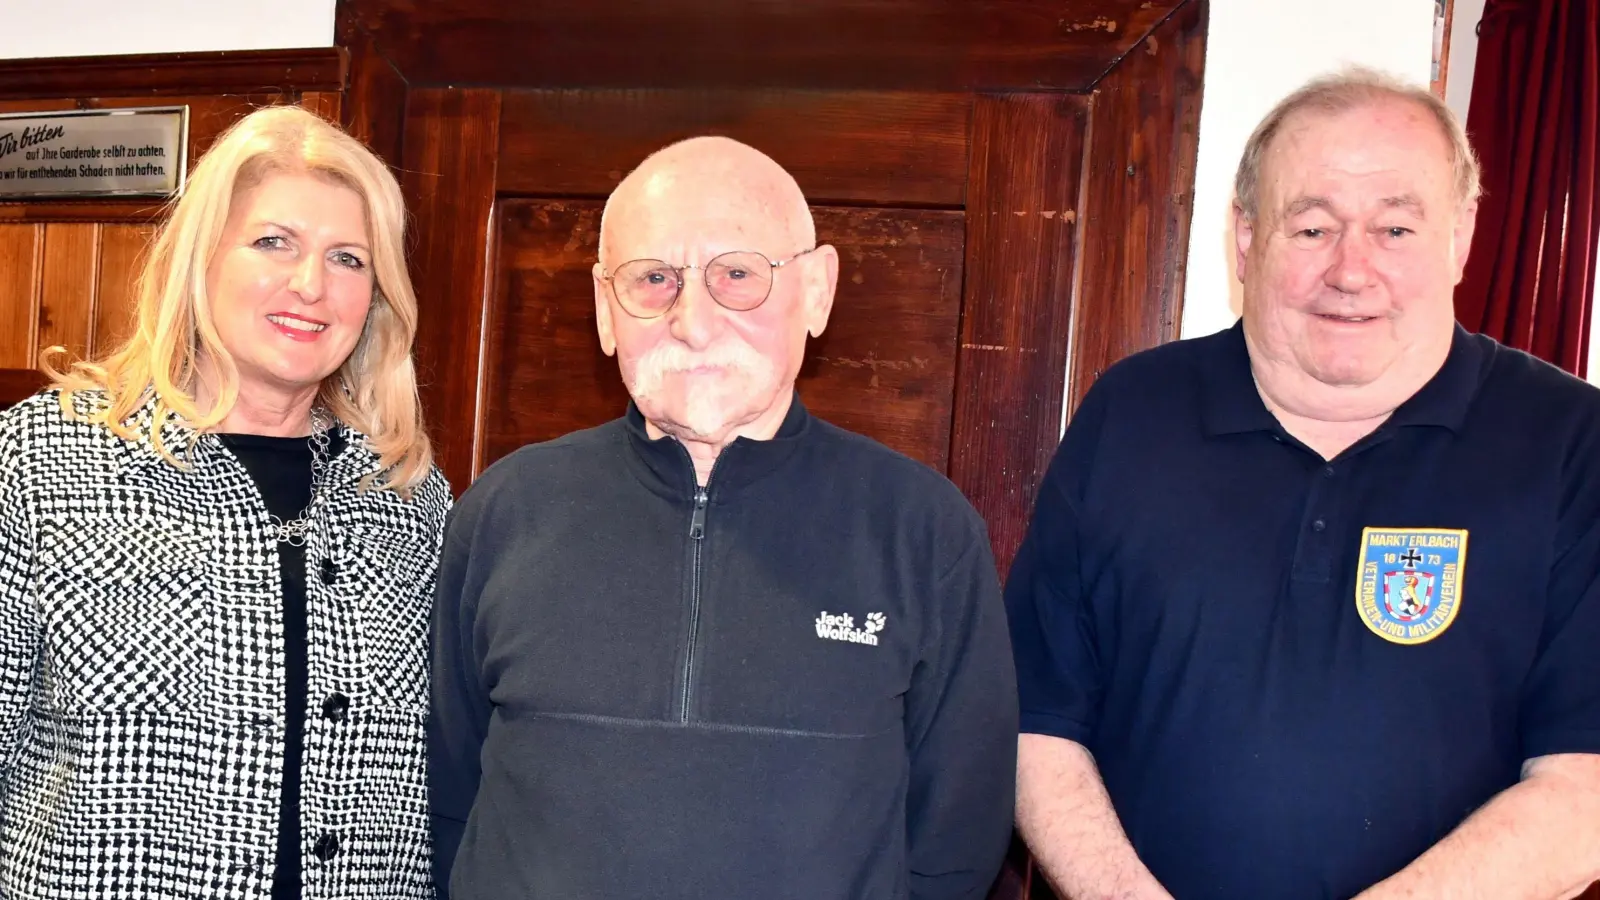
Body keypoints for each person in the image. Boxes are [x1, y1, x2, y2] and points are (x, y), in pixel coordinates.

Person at [1006, 67, 1600, 899]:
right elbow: (1032, 717)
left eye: (1395, 229)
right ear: (1246, 239)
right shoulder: (1132, 413)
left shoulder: (1574, 442)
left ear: (1461, 236)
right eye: (1312, 228)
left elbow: (1586, 788)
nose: (1351, 271)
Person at [429, 135, 1016, 899]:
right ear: (606, 309)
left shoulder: (924, 533)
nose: (692, 321)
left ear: (817, 291)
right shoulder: (502, 515)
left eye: (737, 274)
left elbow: (956, 843)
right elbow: (444, 804)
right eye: (654, 279)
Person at [0, 105, 451, 899]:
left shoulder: (412, 500)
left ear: (376, 297)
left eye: (348, 258)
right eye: (272, 242)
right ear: (200, 258)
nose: (310, 284)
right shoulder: (43, 461)